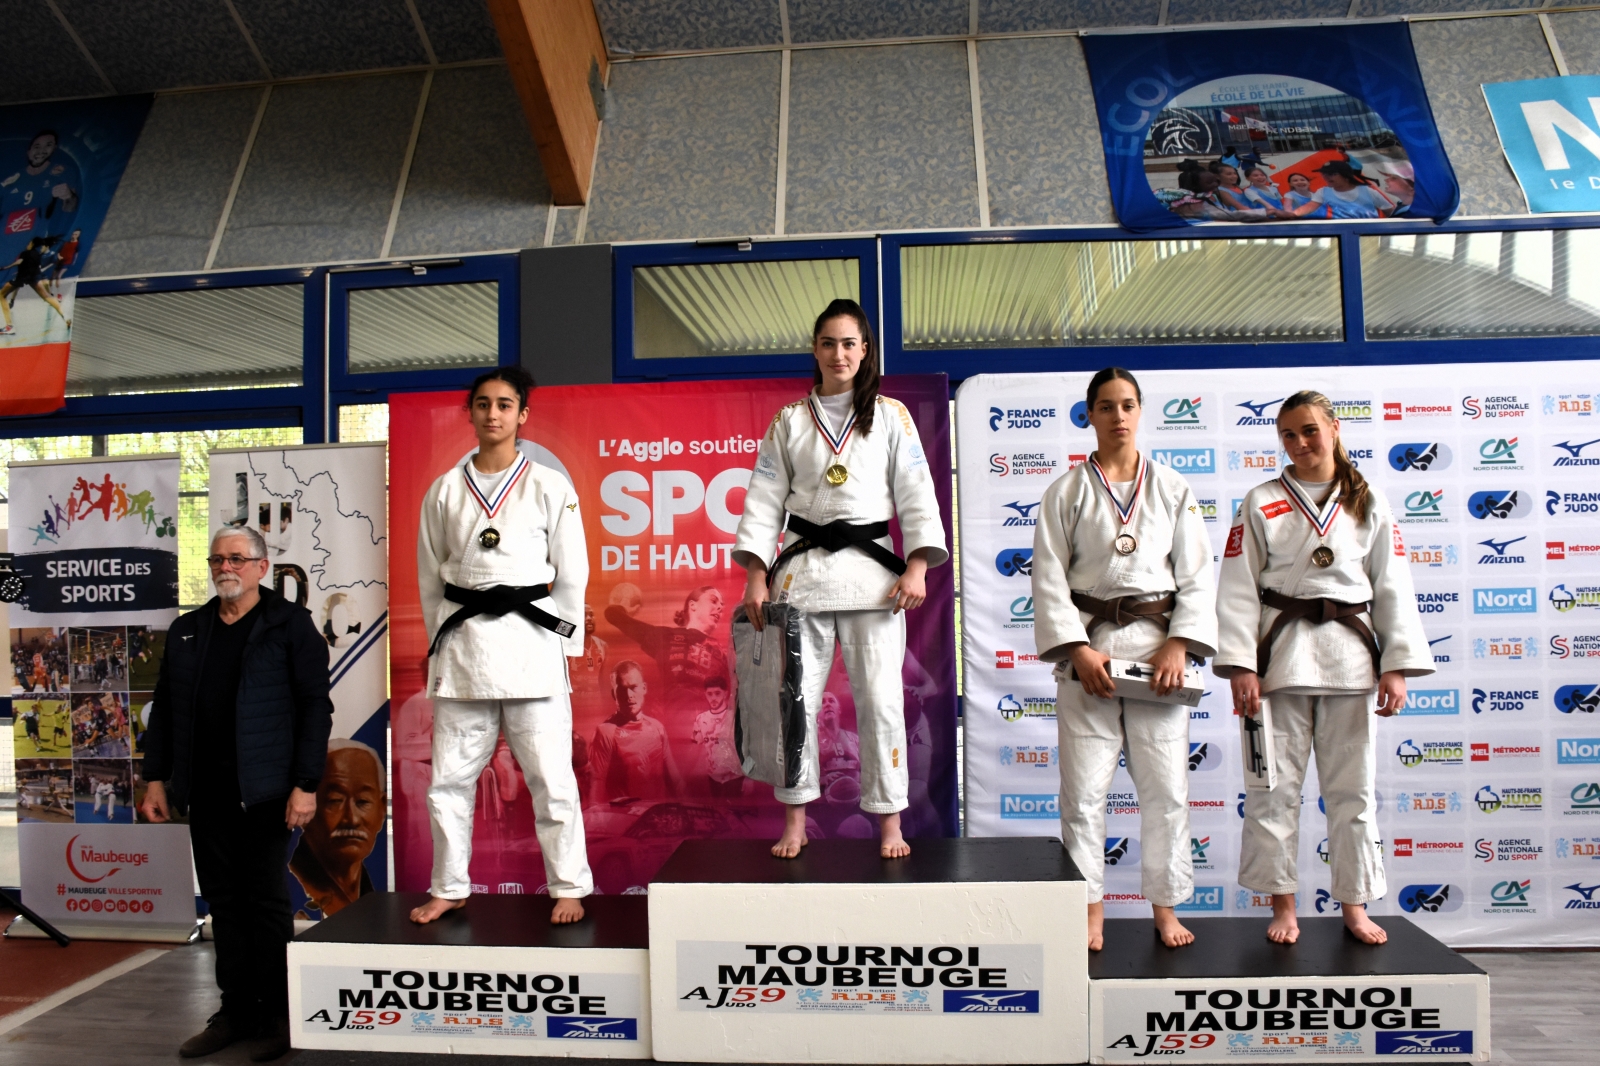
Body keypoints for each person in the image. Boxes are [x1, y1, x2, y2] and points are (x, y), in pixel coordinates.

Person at [1215, 390, 1432, 946]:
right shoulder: (1261, 500)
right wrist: (1241, 665)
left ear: (1334, 429)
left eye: (1309, 430)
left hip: (1350, 660)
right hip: (1279, 661)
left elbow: (1392, 585)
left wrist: (1396, 664)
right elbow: (1237, 587)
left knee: (1352, 795)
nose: (1299, 442)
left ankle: (1354, 906)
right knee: (1272, 791)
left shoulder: (1368, 500)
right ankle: (1283, 905)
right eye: (1288, 434)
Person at [735, 298, 948, 860]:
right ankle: (796, 819)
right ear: (815, 349)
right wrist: (756, 573)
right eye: (828, 343)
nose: (839, 354)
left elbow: (916, 492)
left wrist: (918, 564)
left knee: (881, 703)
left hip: (874, 580)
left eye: (849, 343)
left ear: (865, 349)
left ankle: (889, 822)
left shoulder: (892, 415)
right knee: (796, 703)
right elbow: (763, 501)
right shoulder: (789, 421)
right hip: (802, 577)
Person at [1031, 367, 1217, 952]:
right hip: (1089, 654)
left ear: (1140, 411)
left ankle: (1166, 907)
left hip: (1157, 657)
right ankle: (1090, 909)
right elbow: (1047, 578)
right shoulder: (1066, 492)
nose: (1118, 416)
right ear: (1089, 414)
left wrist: (1180, 643)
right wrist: (1076, 649)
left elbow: (1197, 575)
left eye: (1128, 405)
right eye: (1106, 406)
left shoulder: (1172, 488)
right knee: (1084, 794)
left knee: (1166, 792)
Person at [139, 525, 333, 1062]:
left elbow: (315, 707)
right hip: (205, 792)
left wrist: (306, 785)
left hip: (267, 792)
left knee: (265, 903)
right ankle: (235, 1011)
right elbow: (165, 708)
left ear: (262, 567)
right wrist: (155, 778)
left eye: (237, 559)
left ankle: (277, 1016)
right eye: (217, 559)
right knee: (223, 904)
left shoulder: (290, 625)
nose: (225, 567)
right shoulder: (188, 629)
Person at [412, 365, 592, 926]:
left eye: (505, 404)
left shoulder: (549, 486)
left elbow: (572, 572)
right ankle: (449, 886)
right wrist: (439, 641)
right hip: (464, 647)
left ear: (522, 415)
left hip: (532, 644)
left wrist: (566, 644)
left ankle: (568, 885)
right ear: (470, 412)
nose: (493, 414)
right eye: (483, 404)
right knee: (448, 781)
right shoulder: (444, 490)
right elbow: (429, 579)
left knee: (551, 778)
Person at [288, 740, 387, 918]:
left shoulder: (369, 895)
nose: (352, 819)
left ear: (382, 809)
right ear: (306, 806)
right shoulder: (290, 884)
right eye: (335, 800)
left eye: (363, 801)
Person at [604, 585, 729, 712]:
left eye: (722, 605)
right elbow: (614, 616)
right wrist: (623, 605)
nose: (720, 608)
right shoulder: (665, 637)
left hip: (710, 721)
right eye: (713, 601)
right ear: (692, 605)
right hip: (676, 718)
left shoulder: (722, 653)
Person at [589, 660, 681, 802]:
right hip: (623, 815)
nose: (629, 695)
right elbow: (596, 784)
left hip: (657, 813)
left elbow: (676, 782)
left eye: (633, 687)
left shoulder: (657, 728)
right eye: (622, 689)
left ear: (644, 688)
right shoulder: (605, 732)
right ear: (614, 694)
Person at [0, 236, 69, 335]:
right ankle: (64, 315)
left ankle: (9, 326)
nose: (27, 245)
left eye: (29, 243)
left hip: (22, 277)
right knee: (47, 296)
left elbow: (19, 262)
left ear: (32, 244)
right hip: (34, 277)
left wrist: (6, 267)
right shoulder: (37, 254)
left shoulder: (25, 253)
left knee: (2, 295)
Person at [1284, 161, 1397, 220]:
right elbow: (1308, 208)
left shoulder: (1369, 192)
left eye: (1331, 174)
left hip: (1368, 234)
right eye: (1324, 174)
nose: (1326, 177)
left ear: (1346, 176)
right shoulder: (1322, 192)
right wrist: (1287, 214)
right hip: (1339, 234)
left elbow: (1391, 213)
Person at [690, 675, 743, 797]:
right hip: (713, 777)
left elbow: (747, 749)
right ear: (705, 694)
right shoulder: (700, 719)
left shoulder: (735, 717)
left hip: (734, 777)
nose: (713, 698)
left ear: (725, 693)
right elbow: (697, 750)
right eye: (709, 694)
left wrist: (748, 778)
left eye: (717, 693)